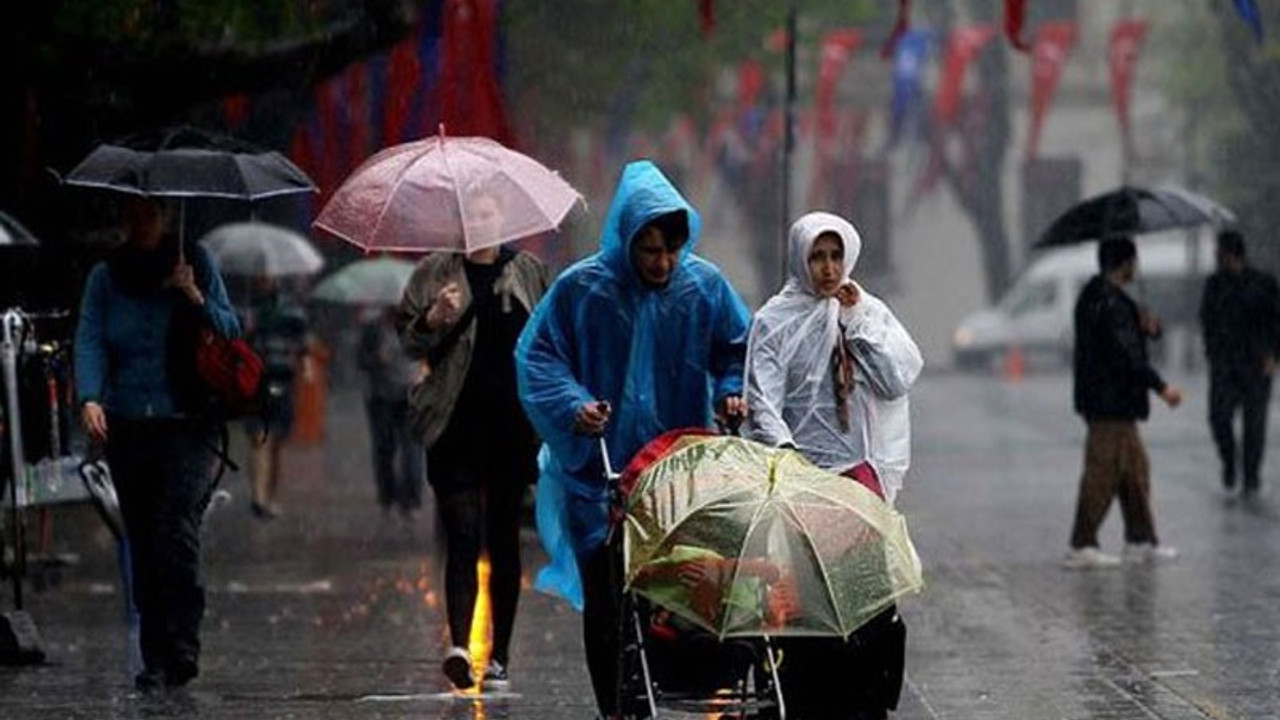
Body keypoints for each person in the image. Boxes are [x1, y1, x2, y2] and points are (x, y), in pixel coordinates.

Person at [515, 160, 751, 720]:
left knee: (673, 591)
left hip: (679, 470)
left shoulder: (704, 287)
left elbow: (736, 348)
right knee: (607, 601)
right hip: (601, 473)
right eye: (649, 251)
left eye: (670, 249)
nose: (662, 263)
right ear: (627, 240)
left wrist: (731, 391)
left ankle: (659, 686)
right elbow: (539, 356)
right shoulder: (583, 289)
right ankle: (619, 707)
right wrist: (576, 406)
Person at [744, 211, 921, 720]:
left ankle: (866, 697)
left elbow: (893, 380)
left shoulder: (864, 310)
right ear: (801, 258)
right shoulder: (773, 321)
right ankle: (810, 697)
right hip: (802, 480)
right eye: (817, 257)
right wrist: (787, 458)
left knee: (866, 599)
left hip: (858, 476)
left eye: (835, 256)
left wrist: (856, 323)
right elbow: (763, 400)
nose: (827, 268)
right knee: (807, 601)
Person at [74, 196, 241, 690]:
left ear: (167, 216)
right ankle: (155, 654)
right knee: (143, 539)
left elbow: (230, 331)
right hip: (129, 425)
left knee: (176, 530)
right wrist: (90, 396)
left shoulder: (196, 262)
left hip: (187, 425)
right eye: (134, 212)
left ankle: (183, 644)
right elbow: (91, 338)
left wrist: (193, 293)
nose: (142, 221)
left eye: (151, 212)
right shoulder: (106, 278)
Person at [396, 190, 549, 692]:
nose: (477, 223)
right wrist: (432, 319)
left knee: (502, 538)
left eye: (486, 213)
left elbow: (550, 337)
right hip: (453, 424)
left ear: (501, 218)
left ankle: (499, 654)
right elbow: (407, 340)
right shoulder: (433, 273)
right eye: (468, 215)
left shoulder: (526, 271)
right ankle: (460, 645)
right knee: (462, 531)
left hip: (510, 427)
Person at [1064, 236, 1183, 570]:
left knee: (1134, 471)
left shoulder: (1102, 298)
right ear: (1125, 263)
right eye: (1134, 261)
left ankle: (1140, 539)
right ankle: (1082, 544)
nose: (1136, 268)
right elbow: (1128, 355)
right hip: (1109, 403)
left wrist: (1149, 327)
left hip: (1110, 402)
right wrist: (1162, 388)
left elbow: (1135, 335)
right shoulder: (1109, 302)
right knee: (1101, 473)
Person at [1199, 229, 1280, 497]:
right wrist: (1211, 352)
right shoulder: (1214, 285)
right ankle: (1230, 460)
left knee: (1254, 425)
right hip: (1224, 364)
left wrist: (1274, 356)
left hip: (1258, 363)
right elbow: (1206, 320)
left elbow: (1276, 321)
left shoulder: (1263, 283)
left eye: (1219, 252)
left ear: (1231, 253)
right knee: (1219, 417)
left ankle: (1251, 476)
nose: (1216, 256)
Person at [240, 275, 308, 519]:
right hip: (256, 382)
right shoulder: (247, 309)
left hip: (283, 381)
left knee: (277, 442)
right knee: (259, 438)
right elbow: (237, 341)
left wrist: (300, 359)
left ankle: (269, 496)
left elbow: (302, 341)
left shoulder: (291, 309)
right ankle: (258, 497)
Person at [357, 304, 423, 520]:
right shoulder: (373, 328)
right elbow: (361, 359)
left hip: (410, 396)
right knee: (384, 449)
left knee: (412, 451)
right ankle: (387, 497)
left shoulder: (420, 325)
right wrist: (376, 358)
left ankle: (411, 500)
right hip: (381, 397)